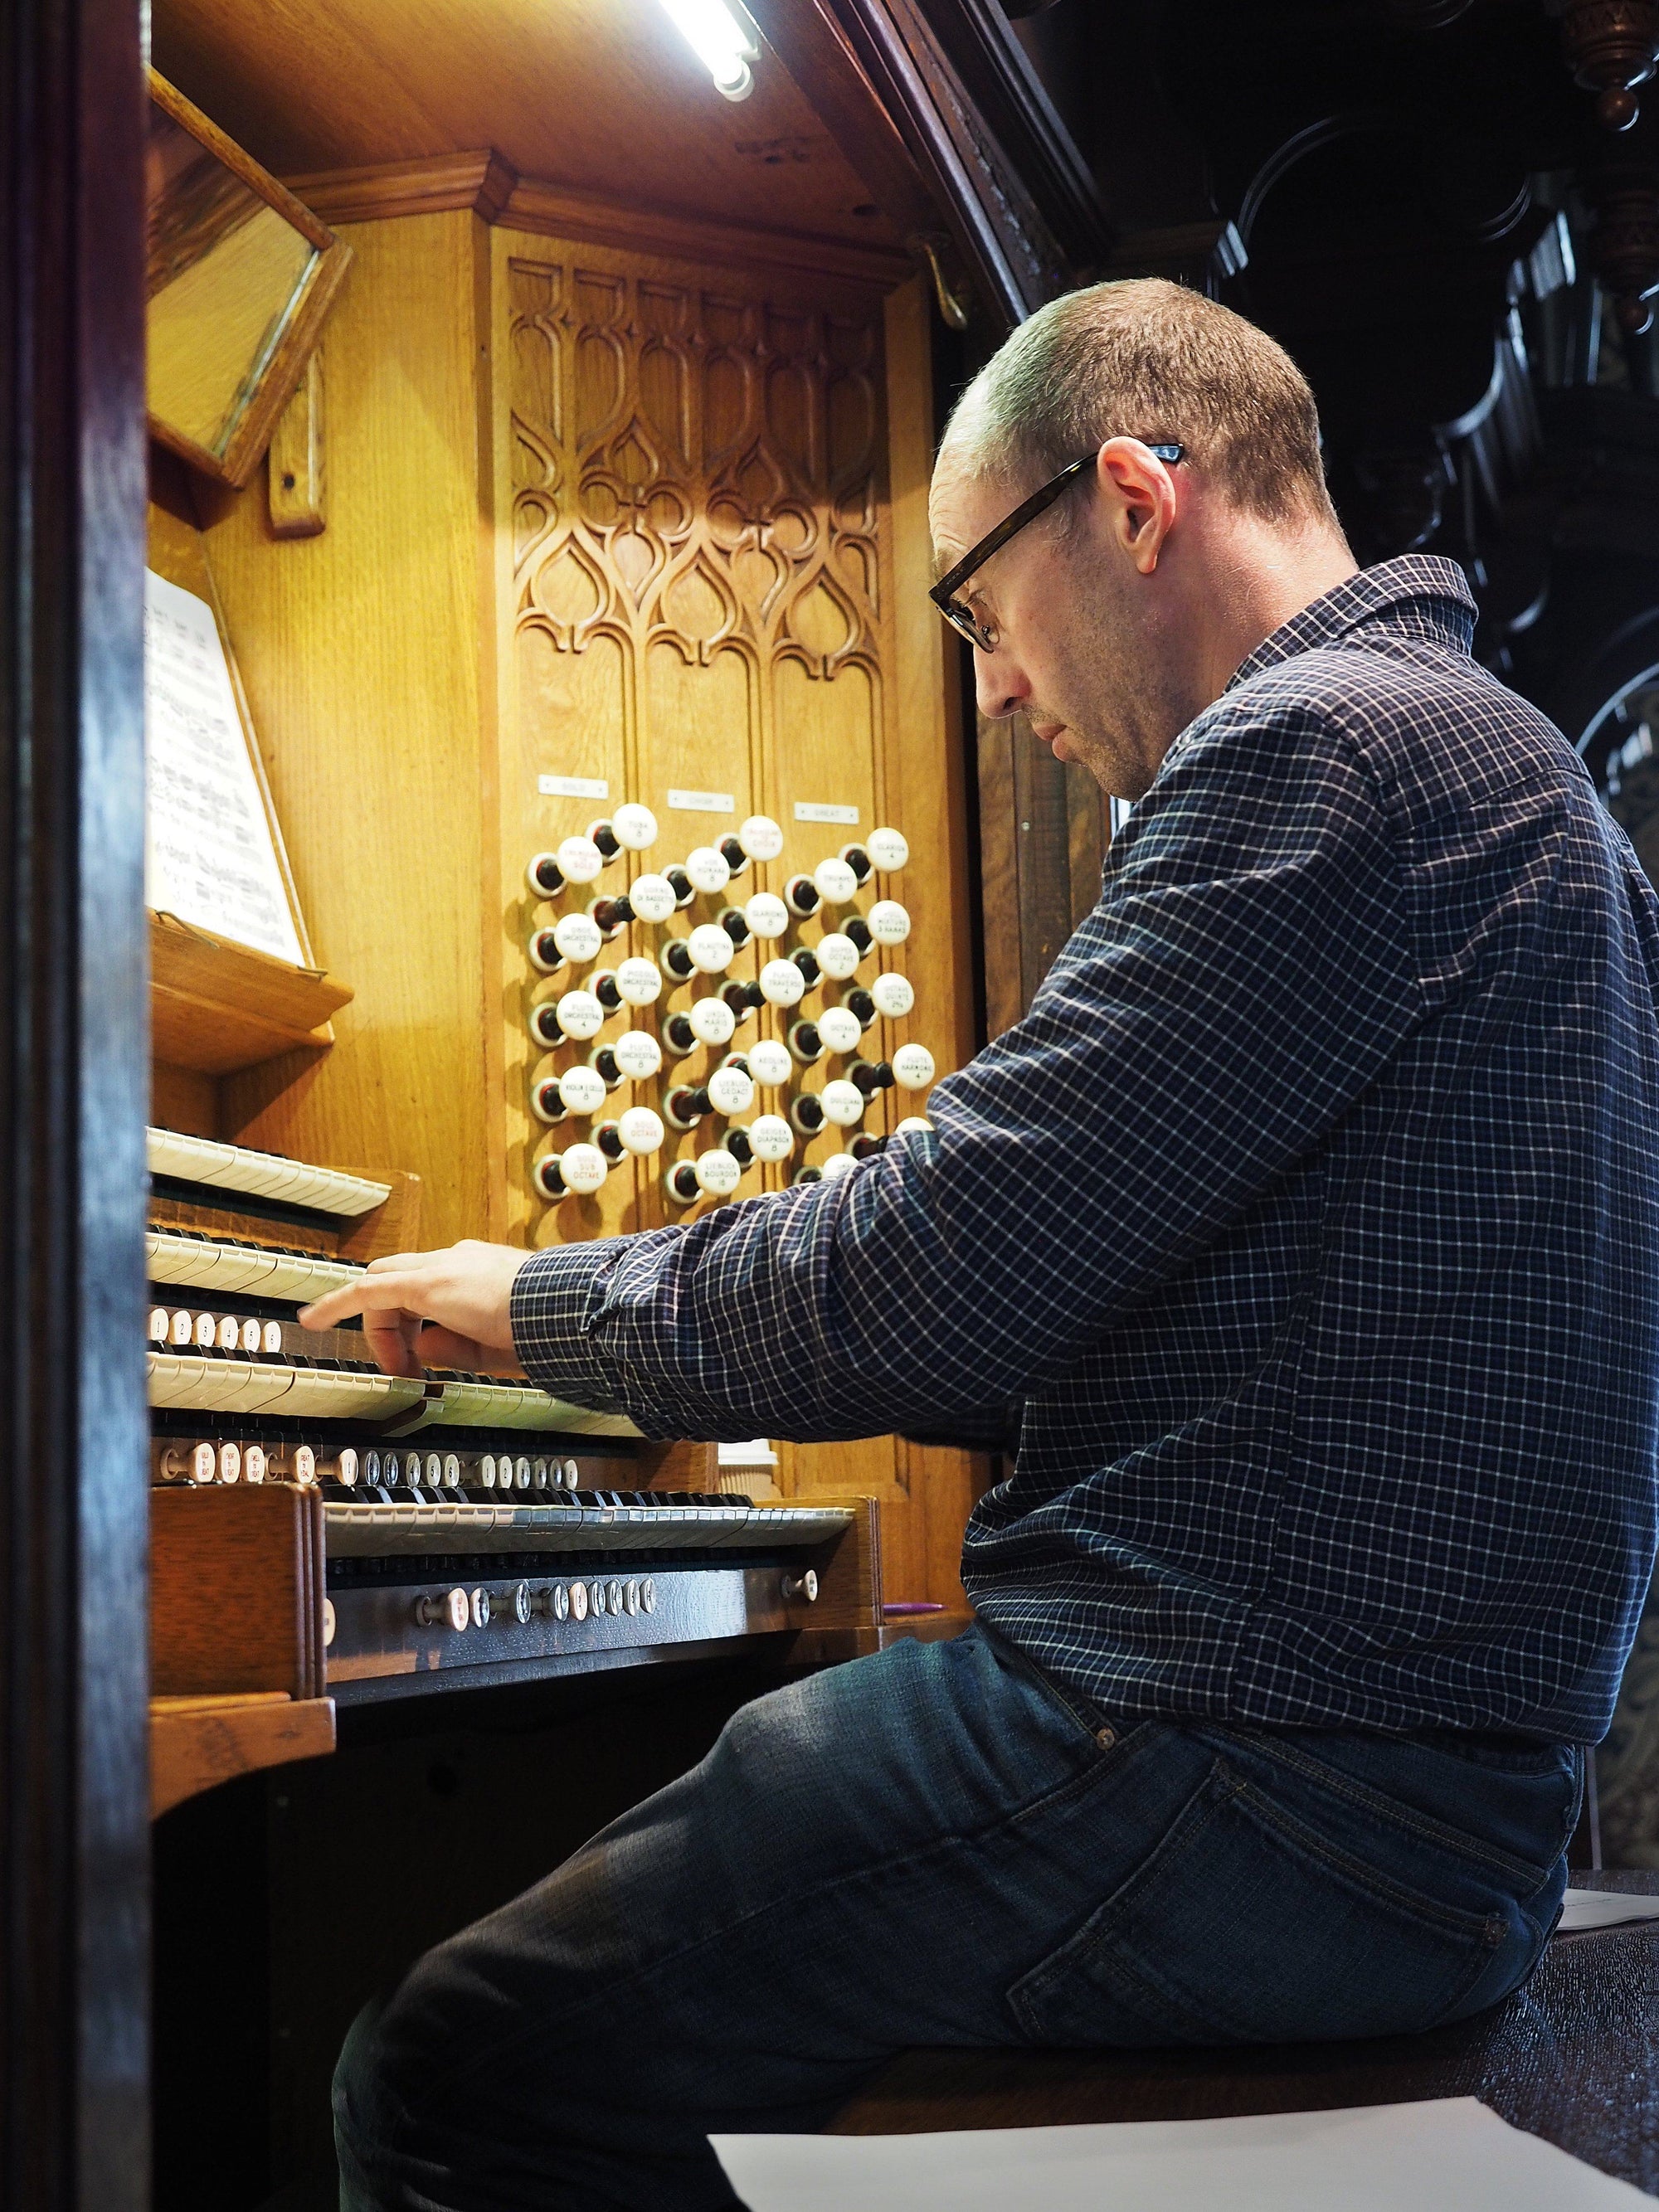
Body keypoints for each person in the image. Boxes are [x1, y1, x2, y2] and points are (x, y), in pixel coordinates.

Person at [309, 277, 1659, 2212]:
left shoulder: (1331, 758)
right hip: (1412, 1814)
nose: (993, 684)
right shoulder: (1514, 783)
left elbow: (923, 1270)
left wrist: (520, 1299)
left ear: (1131, 499)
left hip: (1238, 1774)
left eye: (971, 605)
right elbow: (1062, 1310)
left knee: (454, 2064)